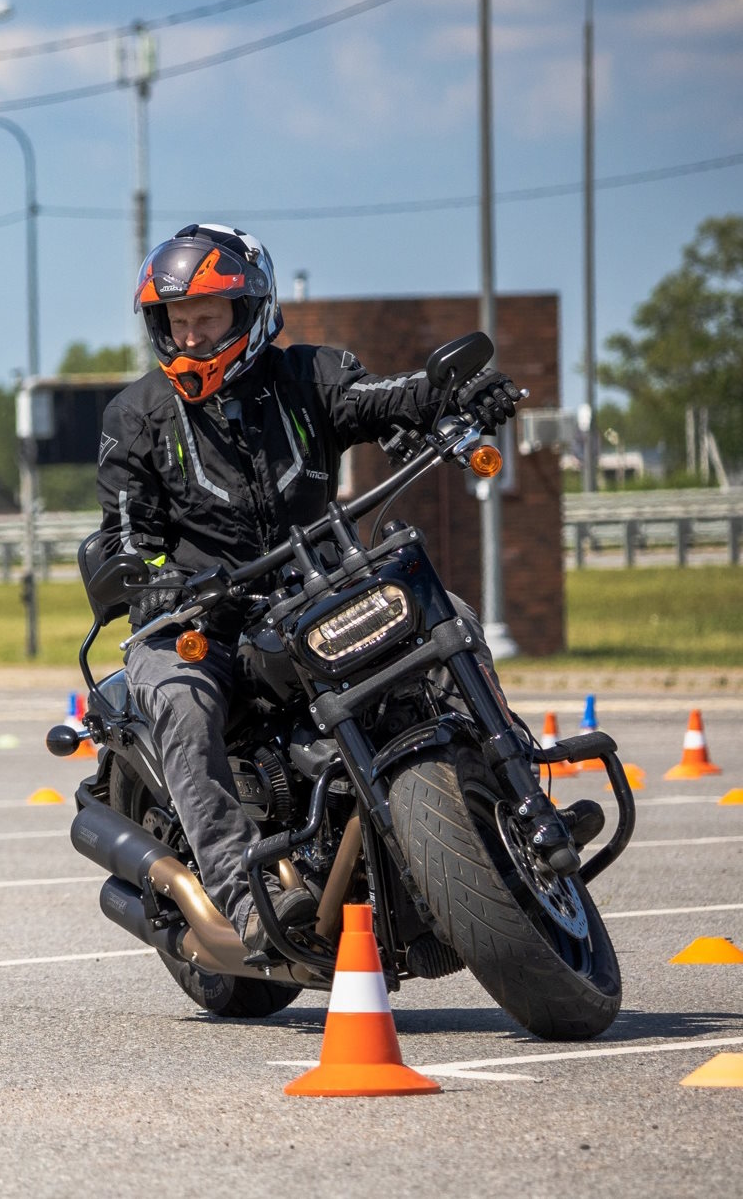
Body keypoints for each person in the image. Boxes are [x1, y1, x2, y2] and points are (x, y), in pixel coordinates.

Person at [94, 222, 519, 956]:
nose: (192, 336)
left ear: (251, 311)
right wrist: (154, 582)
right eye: (177, 321)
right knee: (178, 699)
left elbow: (384, 399)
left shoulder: (308, 378)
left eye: (208, 317)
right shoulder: (137, 416)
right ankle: (242, 901)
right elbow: (126, 532)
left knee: (451, 617)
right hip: (205, 616)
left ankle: (511, 801)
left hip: (318, 588)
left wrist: (453, 396)